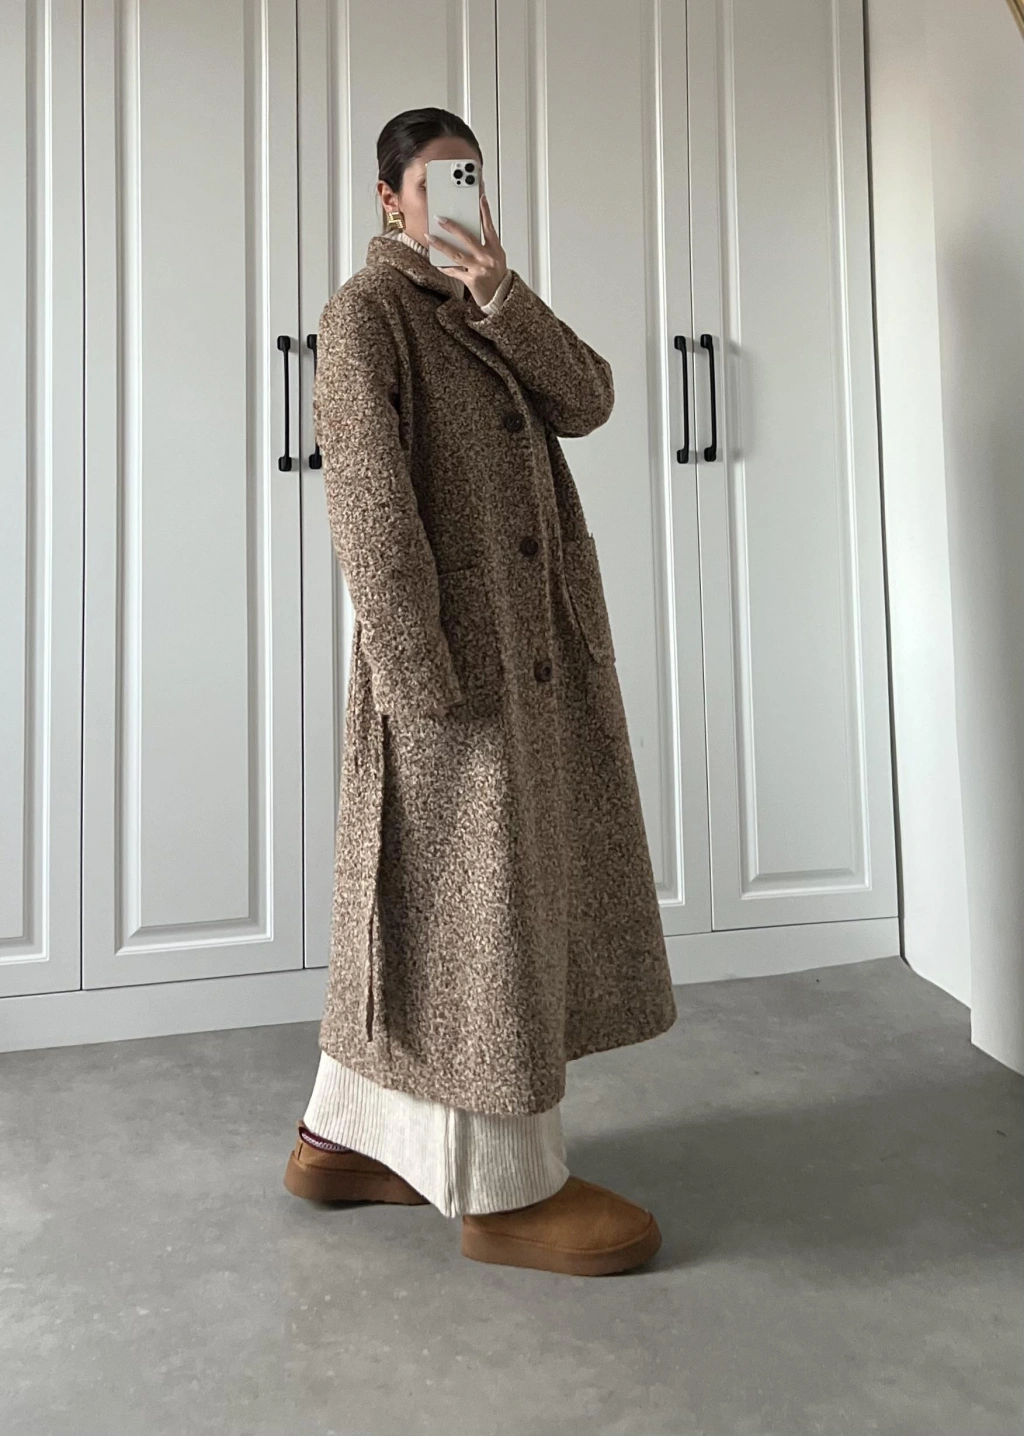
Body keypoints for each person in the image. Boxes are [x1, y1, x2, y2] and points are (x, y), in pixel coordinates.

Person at [283, 107, 678, 1277]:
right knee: (478, 919)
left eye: (472, 176)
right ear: (388, 200)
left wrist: (503, 292)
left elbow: (590, 397)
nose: (460, 194)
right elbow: (368, 508)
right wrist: (417, 683)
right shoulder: (364, 316)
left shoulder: (481, 304)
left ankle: (344, 1136)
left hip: (528, 649)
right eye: (436, 181)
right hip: (454, 671)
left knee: (458, 911)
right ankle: (507, 1190)